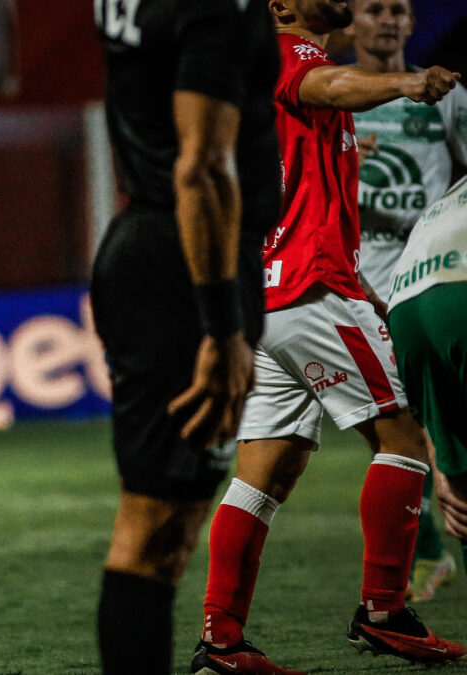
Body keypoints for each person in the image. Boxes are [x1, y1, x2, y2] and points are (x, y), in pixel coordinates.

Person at [193, 1, 465, 671]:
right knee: (403, 435)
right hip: (312, 289)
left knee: (265, 474)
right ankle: (384, 610)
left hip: (270, 294)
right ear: (282, 7)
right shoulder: (294, 54)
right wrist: (406, 82)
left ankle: (221, 639)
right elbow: (334, 85)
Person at [91, 0, 280, 672]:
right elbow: (201, 164)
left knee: (168, 533)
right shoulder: (215, 7)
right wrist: (222, 326)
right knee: (153, 530)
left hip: (155, 246)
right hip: (190, 265)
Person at [348, 0, 467, 602]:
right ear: (352, 23)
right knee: (395, 427)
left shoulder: (443, 95)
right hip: (359, 281)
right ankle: (427, 551)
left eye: (399, 9)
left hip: (432, 274)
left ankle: (427, 555)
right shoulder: (333, 93)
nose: (389, 19)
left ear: (413, 23)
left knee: (421, 424)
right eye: (375, 9)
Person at [388, 174, 467, 571]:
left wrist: (441, 468)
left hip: (404, 301)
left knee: (463, 495)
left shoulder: (452, 190)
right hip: (460, 292)